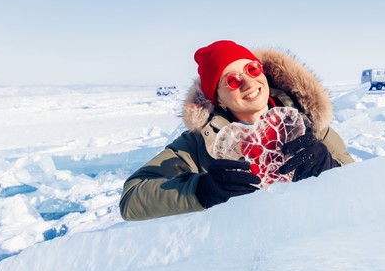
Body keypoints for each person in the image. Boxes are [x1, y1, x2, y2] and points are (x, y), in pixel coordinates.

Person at [119, 40, 355, 220]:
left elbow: (360, 190)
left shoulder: (309, 127)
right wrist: (203, 190)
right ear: (218, 100)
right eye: (231, 80)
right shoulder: (200, 144)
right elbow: (131, 200)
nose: (249, 83)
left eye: (252, 69)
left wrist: (329, 168)